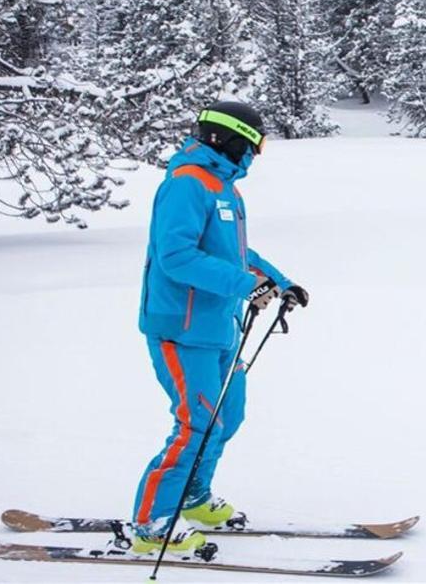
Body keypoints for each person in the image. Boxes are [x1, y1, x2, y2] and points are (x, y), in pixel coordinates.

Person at [130, 101, 309, 554]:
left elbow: (235, 252)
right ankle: (151, 524)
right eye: (254, 144)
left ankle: (192, 496)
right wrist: (244, 284)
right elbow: (176, 257)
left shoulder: (224, 188)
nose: (256, 154)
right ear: (226, 139)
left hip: (219, 326)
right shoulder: (187, 184)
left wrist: (279, 282)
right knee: (197, 424)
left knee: (227, 418)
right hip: (181, 328)